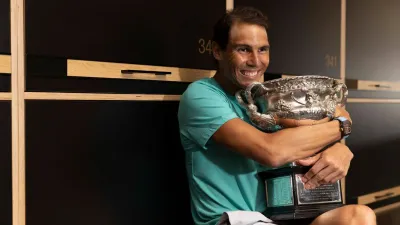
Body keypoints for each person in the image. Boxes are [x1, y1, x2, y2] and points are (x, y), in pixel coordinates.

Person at [177, 6, 376, 225]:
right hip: (235, 221)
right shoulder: (201, 95)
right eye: (243, 49)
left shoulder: (268, 95)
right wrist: (341, 128)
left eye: (262, 49)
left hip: (281, 217)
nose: (255, 61)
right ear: (217, 51)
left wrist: (339, 148)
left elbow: (336, 112)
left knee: (360, 217)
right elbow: (271, 151)